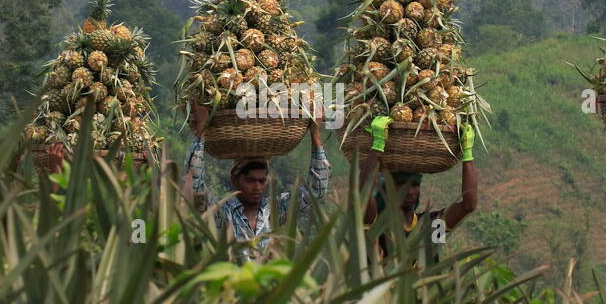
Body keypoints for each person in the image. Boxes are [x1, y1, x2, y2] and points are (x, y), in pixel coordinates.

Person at [183, 102, 330, 259]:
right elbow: (194, 185)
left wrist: (315, 134)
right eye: (250, 181)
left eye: (262, 181)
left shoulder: (276, 210)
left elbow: (317, 191)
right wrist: (201, 130)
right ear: (234, 181)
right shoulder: (222, 212)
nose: (257, 187)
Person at [360, 115, 477, 258]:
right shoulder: (377, 224)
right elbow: (364, 194)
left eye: (415, 185)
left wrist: (467, 155)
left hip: (426, 281)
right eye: (402, 184)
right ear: (387, 189)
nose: (410, 191)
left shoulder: (432, 227)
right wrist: (377, 146)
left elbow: (468, 206)